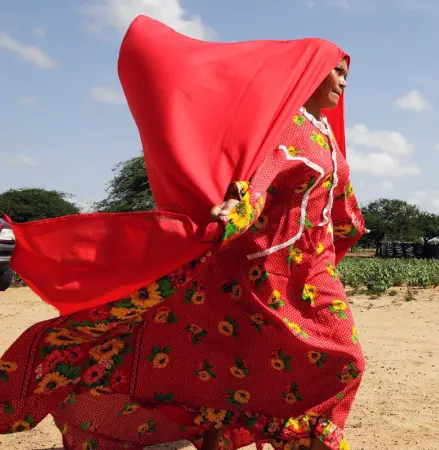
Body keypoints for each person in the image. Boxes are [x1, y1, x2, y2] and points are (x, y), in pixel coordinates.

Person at [0, 16, 364, 450]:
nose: (343, 81)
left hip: (311, 269)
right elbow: (259, 180)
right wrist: (236, 208)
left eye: (347, 74)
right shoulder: (286, 128)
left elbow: (340, 199)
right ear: (309, 72)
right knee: (306, 360)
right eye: (336, 71)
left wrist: (350, 224)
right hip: (260, 269)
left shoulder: (326, 136)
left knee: (331, 359)